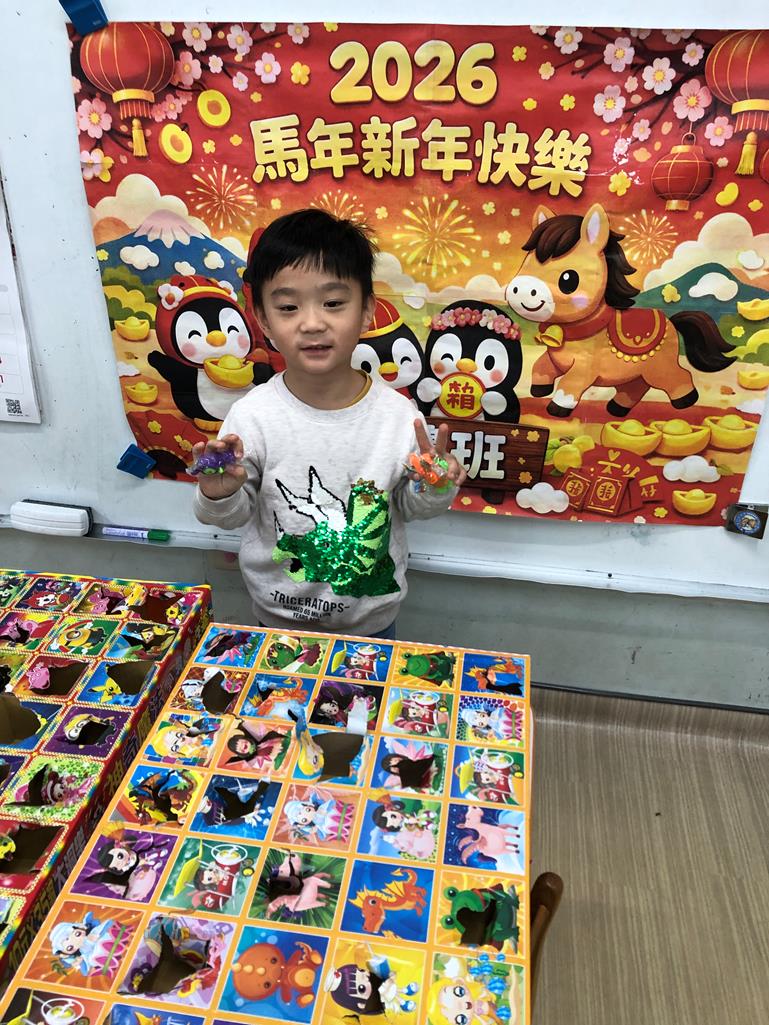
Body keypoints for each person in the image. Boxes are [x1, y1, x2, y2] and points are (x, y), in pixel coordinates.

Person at [193, 209, 466, 638]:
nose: (313, 323)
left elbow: (410, 508)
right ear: (263, 319)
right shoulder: (253, 415)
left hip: (372, 624)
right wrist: (218, 492)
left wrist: (434, 487)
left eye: (334, 303)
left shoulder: (399, 416)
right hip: (274, 621)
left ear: (366, 310)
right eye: (288, 307)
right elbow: (228, 517)